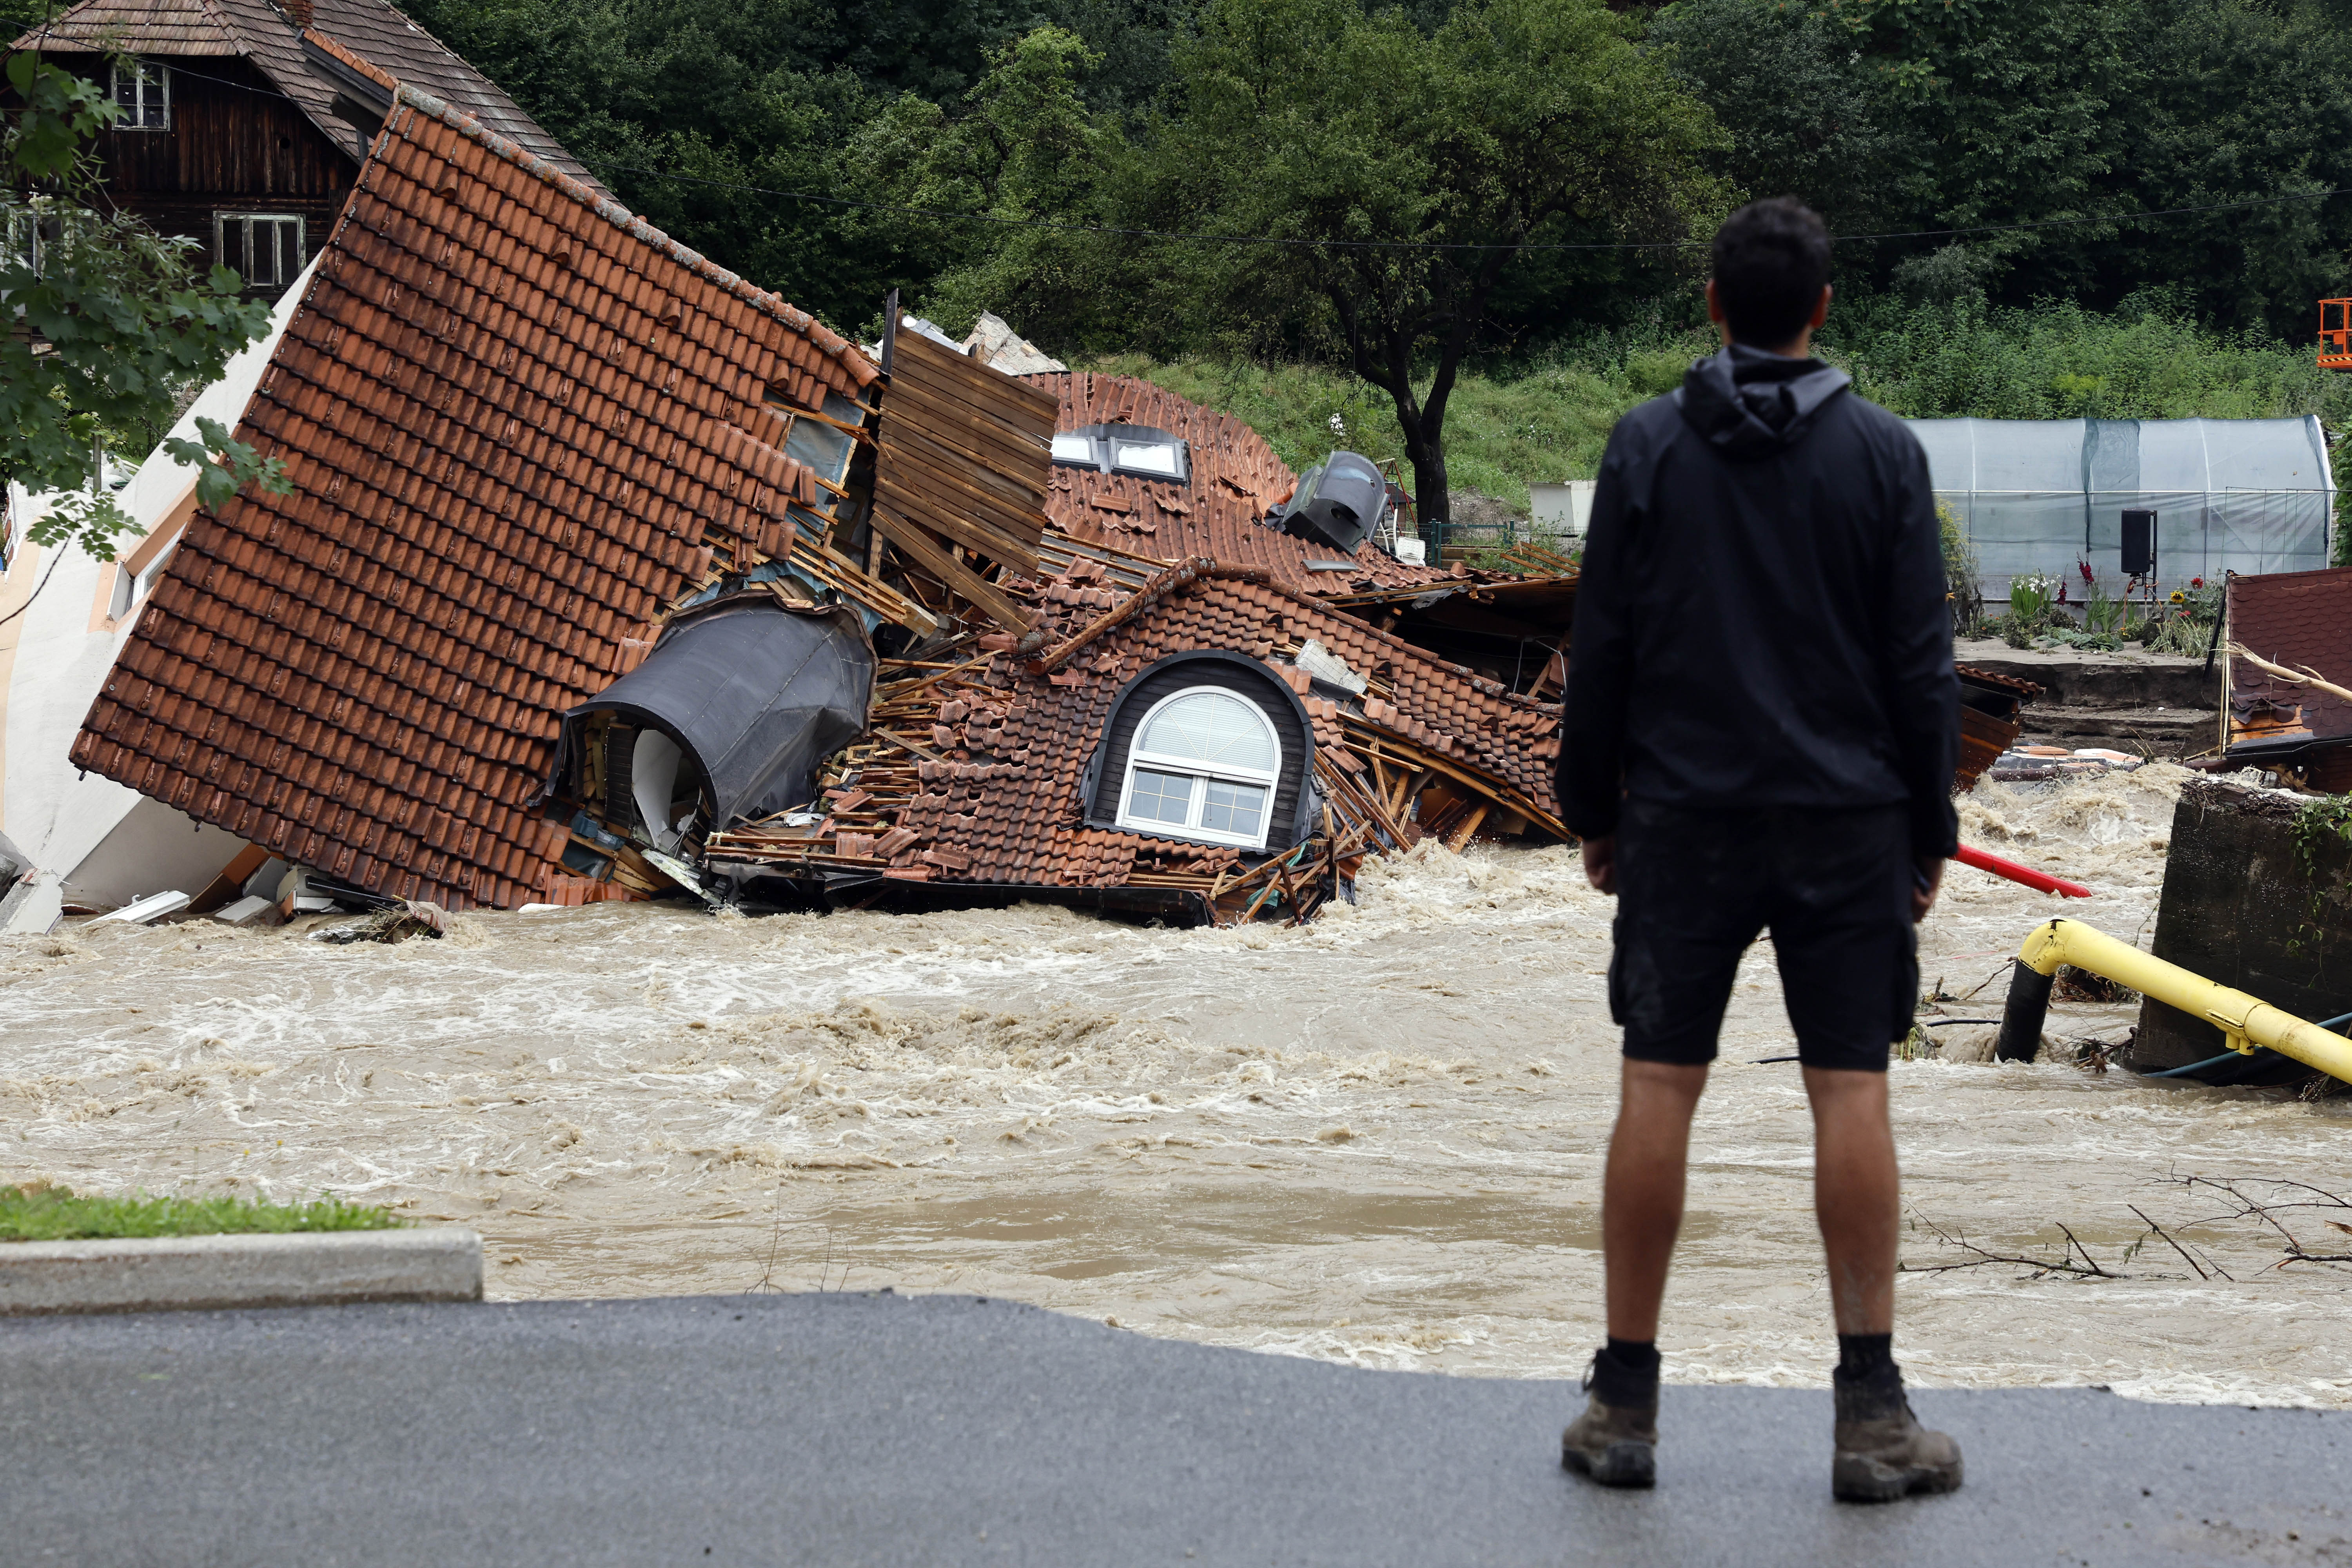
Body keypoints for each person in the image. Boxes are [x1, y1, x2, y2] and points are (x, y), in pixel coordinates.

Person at [1553, 197, 1963, 1503]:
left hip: (1685, 818)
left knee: (1658, 1087)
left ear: (1714, 305)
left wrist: (1593, 812)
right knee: (1850, 1093)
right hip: (1847, 824)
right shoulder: (1887, 458)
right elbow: (1922, 667)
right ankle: (1873, 1419)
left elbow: (1601, 649)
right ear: (1823, 309)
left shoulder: (1646, 448)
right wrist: (1928, 830)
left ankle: (1624, 1404)